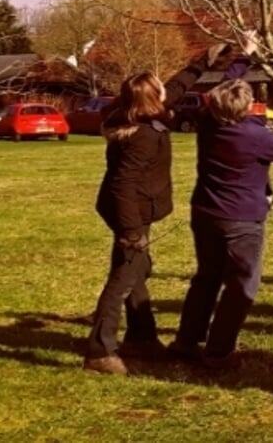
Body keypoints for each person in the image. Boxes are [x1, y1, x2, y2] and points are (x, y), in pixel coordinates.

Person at [84, 43, 235, 375]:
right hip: (130, 212)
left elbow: (176, 87)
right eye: (160, 86)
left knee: (137, 272)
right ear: (153, 97)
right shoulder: (143, 136)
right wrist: (130, 232)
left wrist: (203, 62)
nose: (167, 88)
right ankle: (99, 350)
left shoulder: (132, 112)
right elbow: (122, 184)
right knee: (123, 277)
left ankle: (142, 336)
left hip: (132, 210)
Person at [170, 56, 273, 369]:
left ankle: (187, 341)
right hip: (241, 221)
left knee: (206, 277)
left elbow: (220, 91)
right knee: (242, 285)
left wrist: (243, 58)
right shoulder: (256, 137)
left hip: (205, 213)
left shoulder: (208, 122)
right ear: (246, 108)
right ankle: (219, 352)